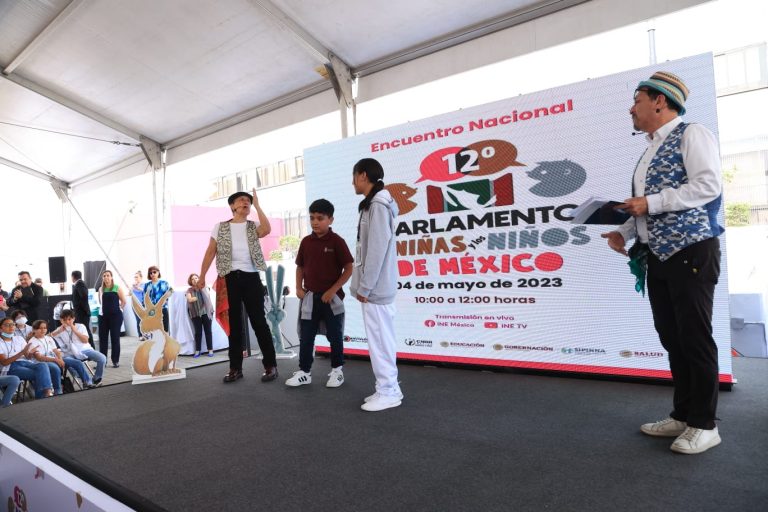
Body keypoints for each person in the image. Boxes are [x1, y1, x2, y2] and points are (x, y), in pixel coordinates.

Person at [601, 71, 724, 455]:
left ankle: (705, 425)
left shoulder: (692, 133)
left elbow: (708, 186)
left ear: (660, 101)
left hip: (690, 251)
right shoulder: (648, 150)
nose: (631, 109)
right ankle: (684, 415)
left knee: (695, 338)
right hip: (658, 255)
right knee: (672, 338)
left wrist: (650, 203)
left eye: (636, 100)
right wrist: (624, 230)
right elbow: (644, 206)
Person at [197, 188, 278, 383]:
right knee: (234, 325)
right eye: (242, 200)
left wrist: (258, 205)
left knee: (259, 322)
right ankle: (235, 368)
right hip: (228, 278)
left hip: (251, 277)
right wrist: (202, 276)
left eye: (248, 201)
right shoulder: (220, 226)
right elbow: (210, 252)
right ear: (232, 206)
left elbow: (267, 230)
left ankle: (270, 365)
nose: (246, 203)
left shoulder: (253, 225)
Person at [350, 158, 403, 412]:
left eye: (354, 177)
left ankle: (389, 391)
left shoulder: (379, 205)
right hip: (375, 288)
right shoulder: (373, 204)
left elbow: (377, 250)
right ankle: (388, 387)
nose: (352, 182)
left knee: (381, 341)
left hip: (377, 290)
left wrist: (366, 287)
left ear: (363, 176)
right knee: (380, 340)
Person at [285, 199, 353, 388]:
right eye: (312, 218)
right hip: (309, 299)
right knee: (306, 337)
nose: (315, 222)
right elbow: (300, 267)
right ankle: (305, 372)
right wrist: (298, 288)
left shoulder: (337, 241)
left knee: (335, 336)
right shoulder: (306, 242)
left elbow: (349, 268)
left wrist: (332, 291)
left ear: (330, 219)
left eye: (320, 218)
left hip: (332, 300)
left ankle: (337, 371)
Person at [1, 318, 54, 399]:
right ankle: (44, 396)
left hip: (26, 363)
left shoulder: (19, 338)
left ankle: (46, 393)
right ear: (1, 328)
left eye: (13, 324)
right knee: (39, 374)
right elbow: (4, 362)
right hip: (11, 367)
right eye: (7, 325)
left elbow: (27, 356)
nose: (11, 326)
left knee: (42, 365)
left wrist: (31, 353)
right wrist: (21, 352)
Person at [52, 309, 106, 386]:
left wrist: (75, 331)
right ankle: (86, 380)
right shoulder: (59, 329)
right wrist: (58, 332)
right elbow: (47, 338)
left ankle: (96, 378)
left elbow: (85, 340)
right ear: (61, 320)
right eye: (64, 320)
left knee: (102, 358)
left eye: (69, 319)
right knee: (69, 363)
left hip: (85, 349)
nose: (67, 322)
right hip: (70, 353)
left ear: (73, 319)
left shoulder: (80, 326)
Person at [27, 320, 64, 395]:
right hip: (41, 363)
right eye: (40, 328)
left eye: (45, 328)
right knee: (54, 367)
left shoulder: (49, 338)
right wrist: (56, 360)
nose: (43, 330)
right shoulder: (32, 341)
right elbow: (39, 358)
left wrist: (60, 359)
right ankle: (58, 390)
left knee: (73, 361)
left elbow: (56, 351)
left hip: (53, 359)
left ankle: (87, 382)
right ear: (34, 330)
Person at [98, 270, 126, 368]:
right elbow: (100, 303)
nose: (106, 277)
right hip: (103, 317)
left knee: (115, 338)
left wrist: (119, 310)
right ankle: (103, 361)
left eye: (108, 275)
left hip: (115, 317)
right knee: (103, 339)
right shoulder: (101, 289)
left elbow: (123, 301)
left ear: (111, 277)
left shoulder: (117, 288)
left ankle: (115, 361)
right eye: (104, 276)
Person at [185, 274, 214, 358]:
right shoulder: (189, 290)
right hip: (195, 314)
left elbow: (207, 295)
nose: (194, 280)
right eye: (192, 279)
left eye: (196, 278)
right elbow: (189, 299)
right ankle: (198, 351)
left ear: (199, 279)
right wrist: (195, 298)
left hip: (206, 312)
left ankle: (210, 350)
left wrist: (201, 289)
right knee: (198, 333)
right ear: (190, 281)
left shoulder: (204, 287)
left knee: (208, 331)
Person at [143, 266, 170, 334]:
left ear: (158, 273)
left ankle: (166, 342)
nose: (152, 274)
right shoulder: (147, 285)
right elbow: (144, 297)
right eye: (150, 273)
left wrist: (165, 300)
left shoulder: (164, 283)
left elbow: (170, 292)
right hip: (152, 310)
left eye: (154, 272)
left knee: (165, 327)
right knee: (154, 329)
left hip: (163, 308)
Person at [71, 270, 94, 347]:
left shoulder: (79, 284)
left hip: (82, 312)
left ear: (73, 277)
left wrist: (78, 306)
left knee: (85, 330)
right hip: (81, 312)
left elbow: (84, 296)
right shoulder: (79, 284)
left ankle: (91, 347)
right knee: (83, 330)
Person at [131, 271, 145, 337]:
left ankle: (146, 334)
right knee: (138, 320)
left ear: (141, 277)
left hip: (142, 304)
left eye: (137, 277)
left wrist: (137, 288)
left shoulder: (144, 284)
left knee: (144, 320)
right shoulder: (133, 285)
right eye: (135, 277)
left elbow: (144, 291)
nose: (135, 278)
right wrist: (132, 288)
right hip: (135, 305)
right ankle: (140, 335)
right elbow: (129, 293)